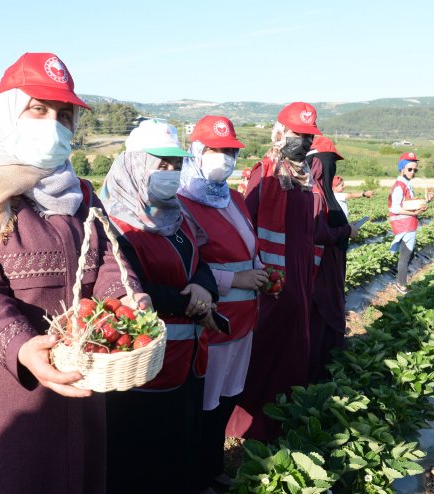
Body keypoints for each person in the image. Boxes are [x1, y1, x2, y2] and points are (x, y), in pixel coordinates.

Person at [0, 52, 150, 494]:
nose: (53, 123)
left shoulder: (78, 192)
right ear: (7, 111)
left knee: (72, 473)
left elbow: (107, 261)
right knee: (10, 476)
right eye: (38, 108)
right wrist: (21, 347)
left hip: (78, 370)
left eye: (63, 115)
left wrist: (128, 299)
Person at [100, 118, 219, 494]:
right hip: (146, 363)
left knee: (181, 443)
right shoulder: (114, 223)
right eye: (160, 165)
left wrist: (203, 286)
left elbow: (201, 262)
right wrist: (189, 300)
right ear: (135, 165)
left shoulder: (177, 217)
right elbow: (126, 285)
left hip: (189, 358)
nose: (170, 173)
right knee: (143, 453)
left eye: (175, 165)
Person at [226, 102, 322, 442]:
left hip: (298, 281)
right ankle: (249, 427)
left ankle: (282, 420)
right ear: (280, 131)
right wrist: (261, 275)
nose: (304, 142)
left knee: (292, 352)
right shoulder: (264, 173)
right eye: (299, 134)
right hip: (271, 284)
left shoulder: (305, 179)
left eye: (309, 136)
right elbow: (245, 228)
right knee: (264, 354)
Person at [176, 116, 262, 493]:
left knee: (229, 397)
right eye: (216, 150)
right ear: (196, 151)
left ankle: (212, 466)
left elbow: (251, 247)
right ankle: (198, 473)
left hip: (246, 318)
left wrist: (261, 272)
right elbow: (187, 267)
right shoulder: (182, 204)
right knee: (206, 405)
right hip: (215, 320)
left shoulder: (235, 198)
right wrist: (235, 280)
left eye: (230, 151)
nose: (225, 158)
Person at [305, 136, 356, 383]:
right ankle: (316, 380)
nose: (331, 168)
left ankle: (324, 376)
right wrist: (347, 231)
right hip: (318, 271)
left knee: (326, 322)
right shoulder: (314, 193)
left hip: (330, 267)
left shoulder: (323, 192)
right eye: (329, 162)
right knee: (319, 322)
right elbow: (316, 233)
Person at [388, 151, 434, 295]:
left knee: (409, 254)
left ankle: (400, 281)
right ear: (402, 168)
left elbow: (409, 203)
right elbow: (394, 208)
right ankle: (401, 285)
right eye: (410, 169)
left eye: (415, 169)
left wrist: (426, 201)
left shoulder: (406, 184)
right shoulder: (399, 186)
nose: (413, 172)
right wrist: (414, 213)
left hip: (409, 224)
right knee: (406, 255)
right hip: (404, 225)